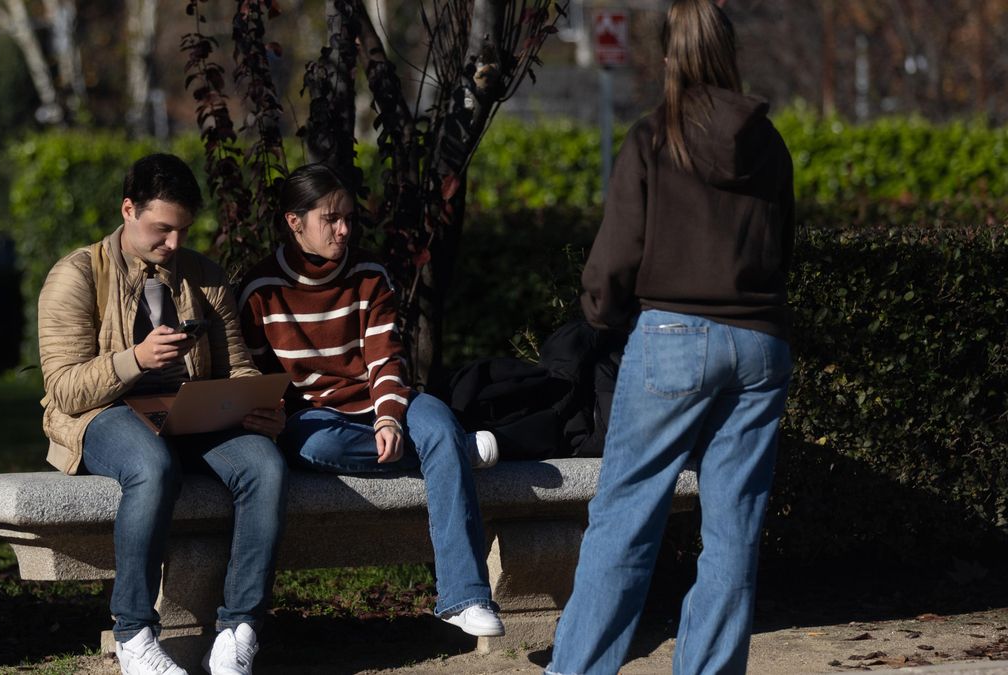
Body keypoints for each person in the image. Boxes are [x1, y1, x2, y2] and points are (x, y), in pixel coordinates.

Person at [546, 1, 795, 673]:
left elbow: (616, 255)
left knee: (625, 519)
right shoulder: (768, 143)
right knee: (733, 533)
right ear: (729, 52)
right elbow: (782, 248)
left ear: (669, 58)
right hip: (760, 344)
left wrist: (597, 315)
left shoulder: (655, 137)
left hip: (675, 336)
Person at [37, 153, 288, 675]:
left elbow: (236, 366)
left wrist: (256, 404)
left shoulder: (204, 276)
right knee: (151, 466)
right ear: (128, 209)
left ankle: (239, 628)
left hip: (188, 411)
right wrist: (135, 360)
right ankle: (133, 634)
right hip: (100, 414)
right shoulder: (76, 275)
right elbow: (63, 389)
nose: (173, 244)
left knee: (264, 463)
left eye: (183, 231)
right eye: (162, 229)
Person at [236, 163, 505, 638]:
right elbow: (257, 376)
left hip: (385, 400)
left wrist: (389, 419)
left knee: (438, 425)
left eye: (348, 218)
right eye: (330, 219)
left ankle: (463, 597)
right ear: (294, 222)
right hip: (316, 417)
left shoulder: (369, 275)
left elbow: (386, 359)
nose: (343, 229)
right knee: (316, 448)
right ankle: (455, 456)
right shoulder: (260, 291)